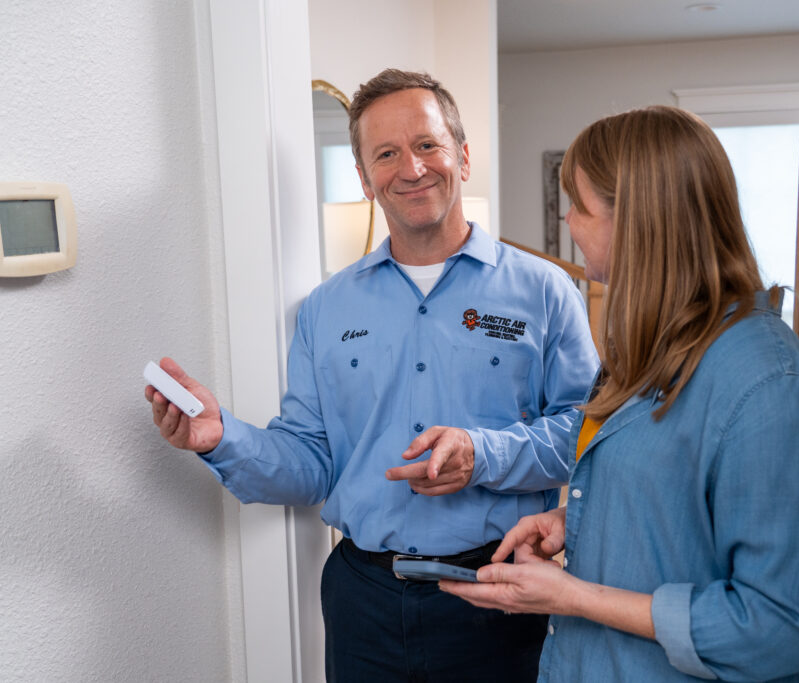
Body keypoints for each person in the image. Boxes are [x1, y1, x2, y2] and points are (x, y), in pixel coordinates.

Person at [145, 69, 598, 682]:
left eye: (428, 145)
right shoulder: (326, 308)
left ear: (462, 157)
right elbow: (310, 463)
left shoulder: (545, 290)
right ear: (364, 178)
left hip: (497, 591)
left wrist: (482, 454)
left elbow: (586, 438)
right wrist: (221, 436)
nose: (410, 168)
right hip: (363, 603)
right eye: (386, 154)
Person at [442, 106, 799, 682]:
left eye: (580, 206)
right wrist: (573, 521)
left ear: (637, 221)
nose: (570, 223)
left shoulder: (767, 386)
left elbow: (775, 628)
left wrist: (571, 596)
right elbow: (669, 505)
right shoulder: (647, 351)